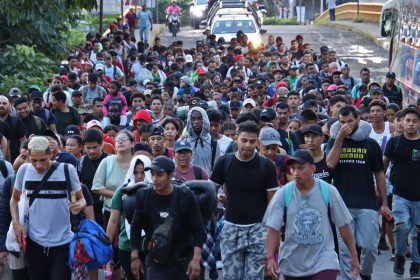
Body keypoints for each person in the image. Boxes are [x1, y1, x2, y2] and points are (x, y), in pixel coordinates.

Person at [265, 149, 360, 280]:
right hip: (292, 262)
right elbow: (273, 228)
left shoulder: (328, 191)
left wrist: (354, 257)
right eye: (293, 169)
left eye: (300, 168)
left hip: (323, 259)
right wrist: (270, 257)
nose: (296, 173)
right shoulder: (283, 193)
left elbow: (343, 225)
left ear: (312, 168)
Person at [326, 105, 390, 280]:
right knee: (346, 252)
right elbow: (330, 164)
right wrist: (339, 138)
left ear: (358, 120)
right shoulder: (334, 141)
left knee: (370, 247)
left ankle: (365, 273)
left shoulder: (370, 144)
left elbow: (379, 173)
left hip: (367, 204)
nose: (346, 125)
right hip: (342, 206)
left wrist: (384, 203)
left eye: (350, 121)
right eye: (342, 122)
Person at [210, 120, 279, 279]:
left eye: (252, 141)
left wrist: (272, 236)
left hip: (258, 230)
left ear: (258, 142)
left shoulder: (267, 166)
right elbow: (209, 191)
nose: (248, 145)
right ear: (236, 139)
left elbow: (273, 205)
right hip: (231, 230)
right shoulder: (224, 162)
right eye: (244, 140)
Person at [10, 136, 86, 280]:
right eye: (34, 161)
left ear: (51, 154)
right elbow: (14, 199)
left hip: (62, 243)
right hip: (34, 244)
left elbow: (80, 199)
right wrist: (15, 221)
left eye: (43, 160)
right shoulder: (24, 171)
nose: (38, 165)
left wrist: (78, 205)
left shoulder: (66, 170)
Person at [130, 156, 206, 280]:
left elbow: (199, 230)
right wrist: (135, 256)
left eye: (160, 175)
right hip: (156, 261)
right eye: (152, 175)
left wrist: (196, 259)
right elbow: (135, 227)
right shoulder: (144, 196)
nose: (155, 179)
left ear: (171, 176)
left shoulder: (186, 196)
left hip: (183, 261)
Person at [383, 107, 420, 278]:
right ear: (402, 123)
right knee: (402, 226)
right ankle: (399, 255)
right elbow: (382, 167)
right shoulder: (394, 142)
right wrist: (378, 185)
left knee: (418, 232)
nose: (411, 124)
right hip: (400, 194)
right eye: (408, 120)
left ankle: (416, 265)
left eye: (414, 121)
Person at [106, 155, 152, 280]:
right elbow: (113, 220)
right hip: (127, 246)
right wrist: (106, 247)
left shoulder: (156, 190)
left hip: (151, 247)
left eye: (143, 172)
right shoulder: (122, 192)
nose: (139, 176)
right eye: (135, 172)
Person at [78, 129, 108, 227]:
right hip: (87, 208)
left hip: (106, 207)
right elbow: (75, 186)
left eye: (95, 147)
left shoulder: (109, 160)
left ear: (101, 144)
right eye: (88, 148)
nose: (91, 151)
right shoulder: (80, 162)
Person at [183, 107, 221, 175]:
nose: (196, 122)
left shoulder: (213, 143)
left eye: (199, 118)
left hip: (206, 183)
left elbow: (217, 167)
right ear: (189, 120)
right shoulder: (183, 142)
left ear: (204, 119)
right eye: (193, 118)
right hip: (187, 183)